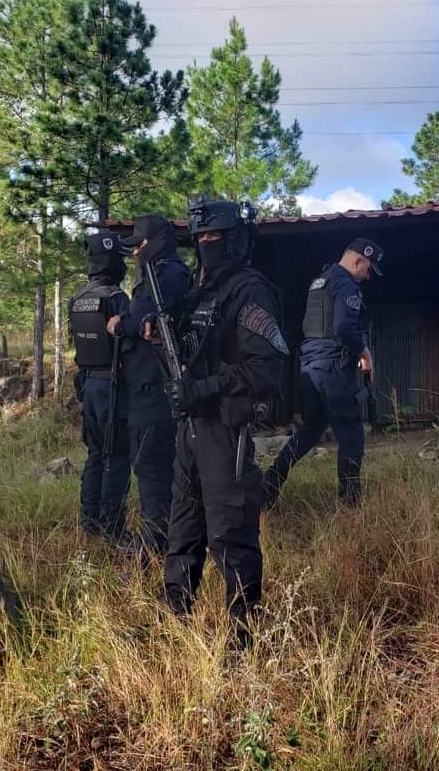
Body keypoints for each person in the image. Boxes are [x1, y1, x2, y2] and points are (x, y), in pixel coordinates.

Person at [162, 197, 288, 645]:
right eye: (200, 239)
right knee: (183, 530)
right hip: (189, 430)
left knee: (230, 535)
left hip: (225, 429)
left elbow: (265, 369)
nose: (206, 245)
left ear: (235, 239)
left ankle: (242, 636)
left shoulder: (251, 292)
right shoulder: (202, 293)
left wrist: (203, 388)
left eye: (214, 237)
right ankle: (173, 623)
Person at [263, 238, 384, 508]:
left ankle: (268, 484)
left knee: (312, 428)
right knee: (351, 433)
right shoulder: (345, 283)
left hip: (310, 363)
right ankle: (350, 504)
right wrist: (365, 353)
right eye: (367, 270)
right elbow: (343, 327)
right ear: (357, 261)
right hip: (333, 366)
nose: (367, 277)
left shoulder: (320, 281)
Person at [108, 215, 191, 554]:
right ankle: (164, 540)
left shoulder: (165, 275)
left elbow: (141, 322)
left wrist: (118, 323)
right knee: (156, 470)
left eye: (139, 246)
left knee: (152, 470)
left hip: (155, 391)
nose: (136, 253)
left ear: (155, 242)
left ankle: (157, 547)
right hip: (149, 387)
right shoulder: (163, 274)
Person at [68, 232, 135, 550]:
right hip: (113, 385)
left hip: (88, 385)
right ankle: (113, 527)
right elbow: (130, 343)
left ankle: (89, 521)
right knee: (117, 455)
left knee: (96, 453)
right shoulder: (115, 298)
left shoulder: (77, 298)